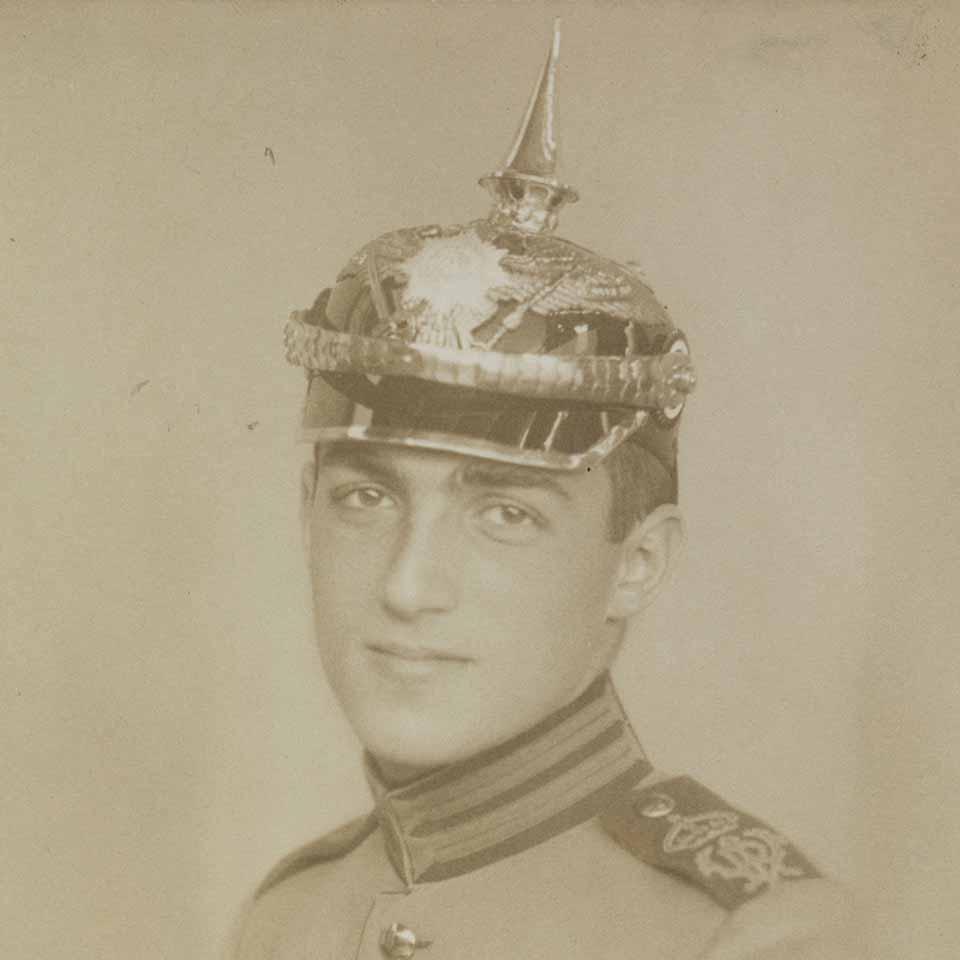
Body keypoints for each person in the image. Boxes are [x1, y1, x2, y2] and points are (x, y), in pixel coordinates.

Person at [229, 24, 861, 960]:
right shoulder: (287, 918)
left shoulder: (754, 933)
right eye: (367, 498)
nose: (408, 587)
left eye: (505, 515)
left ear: (637, 563)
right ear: (304, 510)